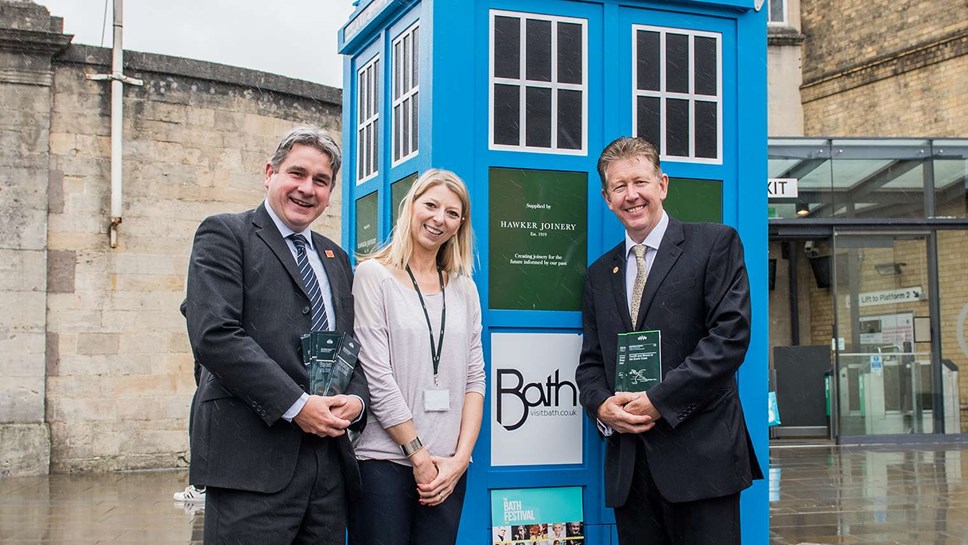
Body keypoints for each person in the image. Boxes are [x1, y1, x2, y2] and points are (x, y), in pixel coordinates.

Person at [184, 126, 368, 545]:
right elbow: (215, 336)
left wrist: (356, 402)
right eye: (297, 174)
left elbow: (349, 346)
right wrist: (297, 405)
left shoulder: (336, 258)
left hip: (327, 471)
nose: (307, 189)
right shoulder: (225, 234)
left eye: (321, 181)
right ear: (270, 173)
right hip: (251, 465)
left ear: (330, 192)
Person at [575, 136, 762, 545]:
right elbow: (591, 363)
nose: (631, 195)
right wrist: (602, 406)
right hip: (631, 470)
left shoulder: (714, 243)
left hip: (702, 462)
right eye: (619, 187)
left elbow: (729, 339)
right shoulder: (599, 275)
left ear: (662, 184)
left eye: (640, 182)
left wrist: (659, 400)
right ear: (607, 199)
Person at [348, 169, 485, 545]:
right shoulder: (373, 276)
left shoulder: (465, 289)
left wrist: (460, 460)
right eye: (431, 205)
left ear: (460, 225)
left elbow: (475, 379)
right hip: (383, 462)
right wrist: (418, 454)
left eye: (452, 213)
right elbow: (376, 375)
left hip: (447, 469)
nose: (439, 219)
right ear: (411, 206)